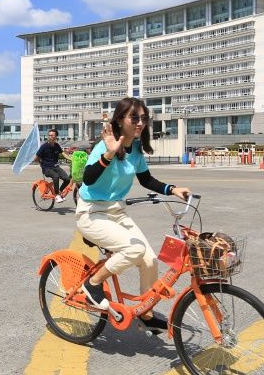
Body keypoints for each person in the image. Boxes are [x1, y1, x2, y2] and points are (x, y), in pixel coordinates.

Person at [76, 97, 190, 332]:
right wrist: (109, 153)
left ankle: (144, 314)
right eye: (134, 118)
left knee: (149, 259)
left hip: (116, 210)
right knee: (134, 249)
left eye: (144, 118)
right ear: (120, 120)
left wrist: (173, 189)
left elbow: (146, 179)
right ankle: (92, 284)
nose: (140, 123)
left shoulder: (136, 148)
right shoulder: (104, 146)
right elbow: (87, 179)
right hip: (91, 212)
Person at [33, 129, 71, 202]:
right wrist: (42, 164)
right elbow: (36, 158)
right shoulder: (44, 146)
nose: (50, 137)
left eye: (52, 135)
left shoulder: (56, 145)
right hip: (47, 168)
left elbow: (63, 154)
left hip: (55, 167)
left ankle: (59, 192)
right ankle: (56, 195)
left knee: (67, 179)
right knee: (55, 176)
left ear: (56, 137)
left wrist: (71, 159)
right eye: (49, 135)